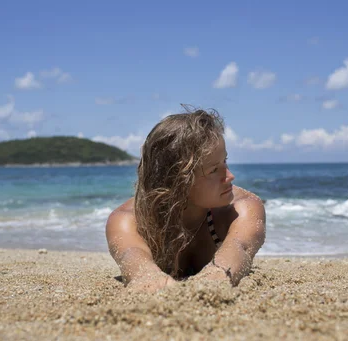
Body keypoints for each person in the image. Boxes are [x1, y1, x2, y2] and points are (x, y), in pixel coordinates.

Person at [105, 106, 266, 293]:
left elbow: (240, 247)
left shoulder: (242, 208)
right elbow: (131, 256)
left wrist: (218, 274)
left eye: (225, 161)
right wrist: (146, 275)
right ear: (177, 180)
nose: (230, 176)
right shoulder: (129, 220)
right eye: (214, 170)